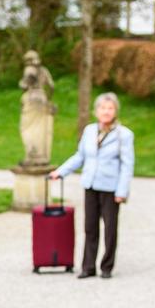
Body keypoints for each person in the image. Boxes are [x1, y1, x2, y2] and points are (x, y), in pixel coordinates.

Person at [50, 92, 134, 279]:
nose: (106, 112)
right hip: (91, 185)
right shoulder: (89, 131)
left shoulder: (124, 135)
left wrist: (122, 191)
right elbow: (80, 156)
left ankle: (107, 266)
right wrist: (60, 171)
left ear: (115, 111)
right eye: (103, 108)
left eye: (110, 108)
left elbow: (127, 165)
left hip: (111, 189)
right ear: (96, 111)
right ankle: (88, 266)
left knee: (110, 229)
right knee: (90, 227)